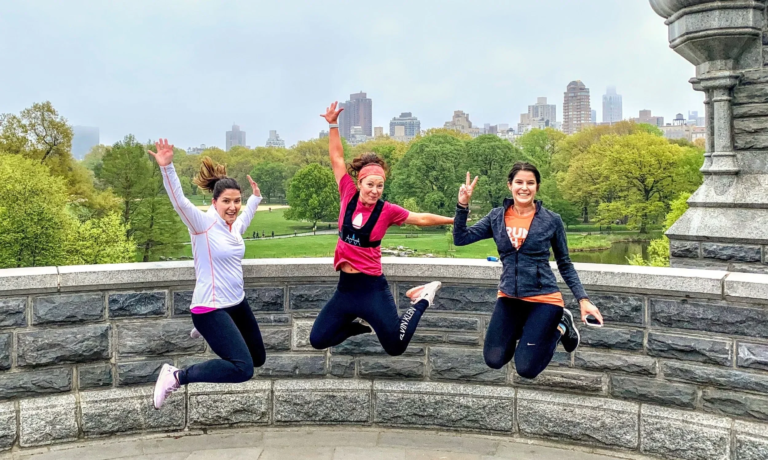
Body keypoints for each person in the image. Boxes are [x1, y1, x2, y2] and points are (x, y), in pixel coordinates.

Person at [309, 102, 453, 356]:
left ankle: (422, 297)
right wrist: (332, 124)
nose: (374, 191)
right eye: (370, 185)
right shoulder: (347, 194)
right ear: (359, 182)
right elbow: (337, 158)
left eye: (380, 186)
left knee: (395, 346)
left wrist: (453, 220)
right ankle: (364, 327)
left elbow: (420, 219)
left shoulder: (387, 211)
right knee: (319, 339)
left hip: (372, 288)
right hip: (346, 290)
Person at [453, 162, 603, 378]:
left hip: (544, 299)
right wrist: (462, 205)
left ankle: (561, 325)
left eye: (530, 183)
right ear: (510, 185)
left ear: (537, 187)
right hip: (509, 297)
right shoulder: (496, 217)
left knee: (526, 369)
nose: (524, 187)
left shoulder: (551, 220)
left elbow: (565, 263)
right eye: (519, 182)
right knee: (494, 359)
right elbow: (461, 238)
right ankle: (530, 329)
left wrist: (583, 299)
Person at [148, 139, 266, 409]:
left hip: (236, 303)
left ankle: (211, 331)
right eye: (227, 202)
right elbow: (179, 202)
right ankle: (177, 376)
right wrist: (167, 168)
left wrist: (255, 199)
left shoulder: (233, 227)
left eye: (236, 201)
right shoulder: (202, 225)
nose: (233, 207)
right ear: (214, 202)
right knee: (243, 369)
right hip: (210, 308)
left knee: (257, 358)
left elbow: (246, 216)